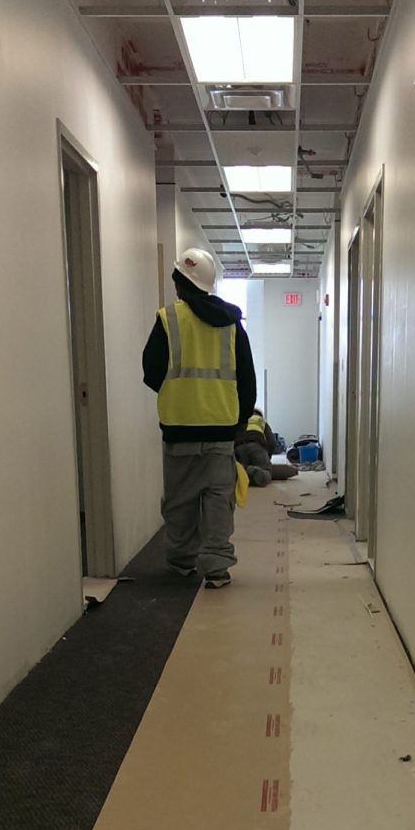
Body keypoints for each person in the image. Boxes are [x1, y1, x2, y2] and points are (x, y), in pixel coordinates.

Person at [142, 249, 256, 589]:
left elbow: (151, 371)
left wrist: (178, 393)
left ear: (179, 283)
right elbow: (247, 379)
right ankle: (217, 568)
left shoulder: (168, 320)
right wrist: (241, 421)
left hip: (179, 430)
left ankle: (181, 562)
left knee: (180, 501)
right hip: (221, 431)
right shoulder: (232, 325)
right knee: (219, 500)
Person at [235, 409, 298, 487]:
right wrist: (268, 456)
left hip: (238, 448)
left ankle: (244, 468)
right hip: (257, 447)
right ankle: (254, 471)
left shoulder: (239, 421)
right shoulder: (261, 421)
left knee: (239, 472)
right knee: (267, 473)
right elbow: (272, 442)